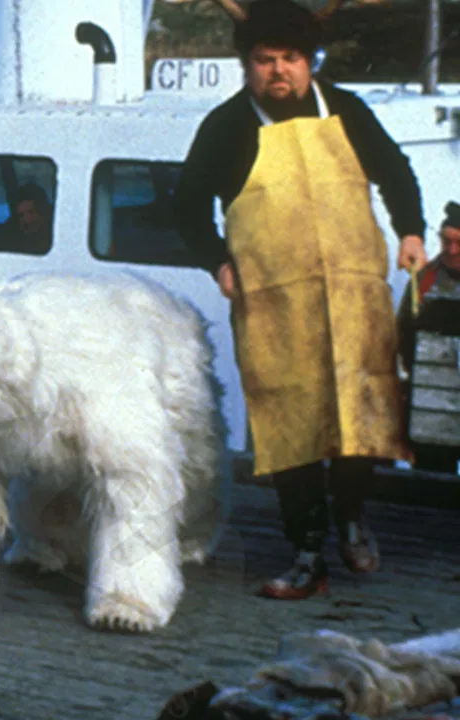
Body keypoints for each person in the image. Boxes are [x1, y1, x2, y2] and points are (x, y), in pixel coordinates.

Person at [172, 0, 428, 600]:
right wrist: (218, 261)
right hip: (274, 304)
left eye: (290, 58)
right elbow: (186, 206)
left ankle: (352, 515)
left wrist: (411, 231)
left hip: (355, 292)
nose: (278, 71)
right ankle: (306, 551)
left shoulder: (347, 109)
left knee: (362, 410)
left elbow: (395, 171)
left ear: (309, 61)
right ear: (247, 64)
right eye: (265, 60)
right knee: (290, 424)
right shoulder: (225, 126)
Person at [395, 202, 460, 473]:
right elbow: (403, 332)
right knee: (432, 481)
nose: (452, 250)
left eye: (459, 243)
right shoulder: (424, 280)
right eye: (446, 241)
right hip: (431, 400)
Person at [0, 183, 52, 254]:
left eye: (31, 212)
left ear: (43, 211)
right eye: (21, 215)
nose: (27, 220)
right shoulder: (11, 235)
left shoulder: (56, 236)